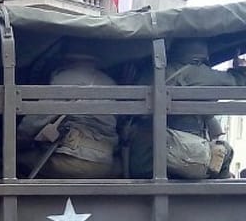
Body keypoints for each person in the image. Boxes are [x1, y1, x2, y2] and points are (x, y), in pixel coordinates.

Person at [129, 38, 246, 179]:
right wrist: (239, 69)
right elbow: (239, 82)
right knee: (225, 152)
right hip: (182, 159)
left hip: (142, 159)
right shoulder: (200, 74)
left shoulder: (148, 73)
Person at [17, 44, 120, 178]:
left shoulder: (63, 78)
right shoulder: (110, 82)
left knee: (16, 161)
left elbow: (35, 121)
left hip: (71, 159)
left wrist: (17, 140)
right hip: (105, 163)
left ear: (67, 58)